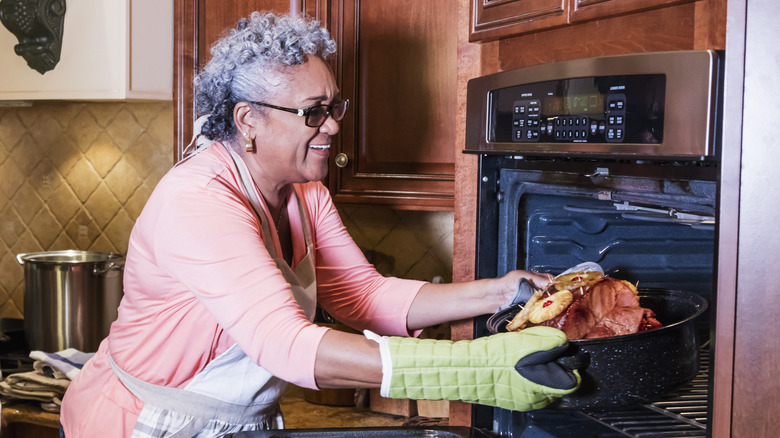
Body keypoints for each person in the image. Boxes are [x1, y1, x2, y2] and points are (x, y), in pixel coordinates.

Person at [60, 11, 579, 437]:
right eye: (313, 112)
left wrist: (502, 293)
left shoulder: (306, 192)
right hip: (143, 423)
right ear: (248, 121)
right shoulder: (197, 201)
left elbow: (364, 297)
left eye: (334, 107)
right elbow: (286, 345)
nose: (332, 125)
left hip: (235, 425)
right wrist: (478, 369)